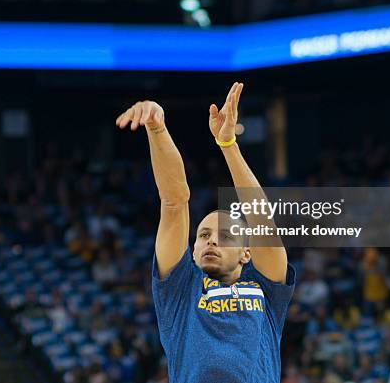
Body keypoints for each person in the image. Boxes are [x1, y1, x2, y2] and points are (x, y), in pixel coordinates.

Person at [115, 82, 295, 383]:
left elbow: (261, 219)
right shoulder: (181, 290)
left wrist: (228, 146)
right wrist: (157, 129)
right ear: (194, 253)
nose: (212, 239)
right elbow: (174, 201)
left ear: (245, 254)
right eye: (203, 235)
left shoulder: (266, 289)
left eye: (226, 236)